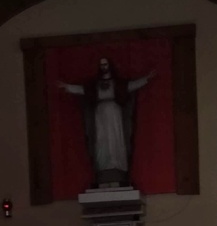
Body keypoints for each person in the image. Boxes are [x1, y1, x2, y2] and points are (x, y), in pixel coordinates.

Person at [58, 58, 154, 189]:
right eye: (102, 65)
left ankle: (117, 167)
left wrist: (146, 79)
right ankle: (103, 169)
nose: (104, 67)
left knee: (116, 140)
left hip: (115, 114)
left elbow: (131, 86)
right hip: (100, 115)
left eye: (105, 64)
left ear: (110, 65)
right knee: (101, 141)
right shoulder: (94, 85)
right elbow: (82, 90)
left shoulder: (118, 84)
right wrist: (68, 87)